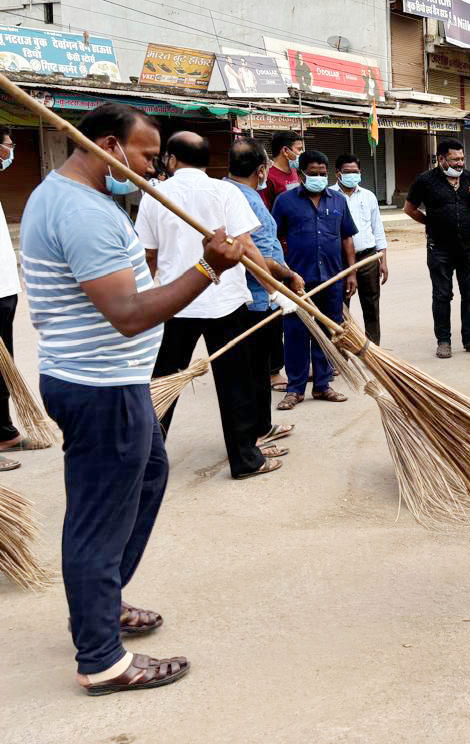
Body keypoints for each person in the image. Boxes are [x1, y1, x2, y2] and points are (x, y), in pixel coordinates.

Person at [20, 101, 244, 694]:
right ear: (108, 146)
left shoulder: (88, 200)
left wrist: (250, 258)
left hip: (116, 384)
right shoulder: (80, 210)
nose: (154, 168)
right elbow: (127, 314)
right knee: (98, 518)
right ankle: (101, 660)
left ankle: (102, 599)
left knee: (147, 473)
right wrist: (207, 269)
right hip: (98, 388)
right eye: (147, 156)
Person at [136, 132, 285, 479]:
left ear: (171, 159)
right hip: (225, 302)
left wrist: (143, 303)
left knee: (162, 384)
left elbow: (149, 256)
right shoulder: (225, 191)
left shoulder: (156, 194)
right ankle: (245, 460)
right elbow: (246, 246)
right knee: (237, 384)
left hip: (177, 302)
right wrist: (273, 291)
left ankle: (144, 463)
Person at [225, 137, 306, 447]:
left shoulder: (238, 193)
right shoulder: (240, 198)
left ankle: (262, 425)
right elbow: (253, 254)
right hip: (256, 296)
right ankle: (254, 433)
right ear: (261, 170)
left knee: (259, 368)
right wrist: (286, 277)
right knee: (253, 368)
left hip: (263, 293)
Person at [273, 150, 357, 409]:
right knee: (296, 334)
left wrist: (351, 272)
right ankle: (295, 389)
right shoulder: (285, 202)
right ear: (301, 174)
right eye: (313, 174)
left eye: (323, 174)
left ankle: (323, 385)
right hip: (297, 281)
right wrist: (283, 274)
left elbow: (346, 238)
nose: (319, 178)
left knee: (327, 333)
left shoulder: (339, 202)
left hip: (332, 279)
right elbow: (274, 240)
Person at [404, 138, 470, 359]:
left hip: (468, 246)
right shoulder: (425, 180)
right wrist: (430, 224)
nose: (460, 163)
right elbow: (409, 209)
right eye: (455, 159)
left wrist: (462, 219)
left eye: (462, 158)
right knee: (442, 295)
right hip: (439, 248)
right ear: (441, 159)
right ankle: (443, 341)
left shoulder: (469, 178)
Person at [0, 129, 38, 471]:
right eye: (9, 146)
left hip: (5, 288)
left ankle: (4, 431)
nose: (11, 153)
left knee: (3, 367)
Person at [332, 154, 388, 345]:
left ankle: (373, 349)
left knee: (371, 304)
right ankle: (341, 351)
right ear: (337, 173)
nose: (351, 175)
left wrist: (383, 260)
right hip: (339, 260)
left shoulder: (368, 196)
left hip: (367, 257)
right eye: (347, 172)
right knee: (339, 307)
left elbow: (377, 228)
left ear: (360, 173)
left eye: (355, 172)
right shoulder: (329, 195)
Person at [262, 130, 303, 392]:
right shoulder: (270, 179)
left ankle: (297, 363)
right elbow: (268, 221)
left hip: (298, 249)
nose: (300, 153)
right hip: (280, 254)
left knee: (298, 311)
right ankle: (273, 369)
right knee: (278, 311)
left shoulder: (295, 175)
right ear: (285, 151)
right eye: (298, 149)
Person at [263, 130, 303, 210]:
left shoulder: (295, 171)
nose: (302, 152)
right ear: (285, 151)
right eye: (299, 149)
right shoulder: (268, 176)